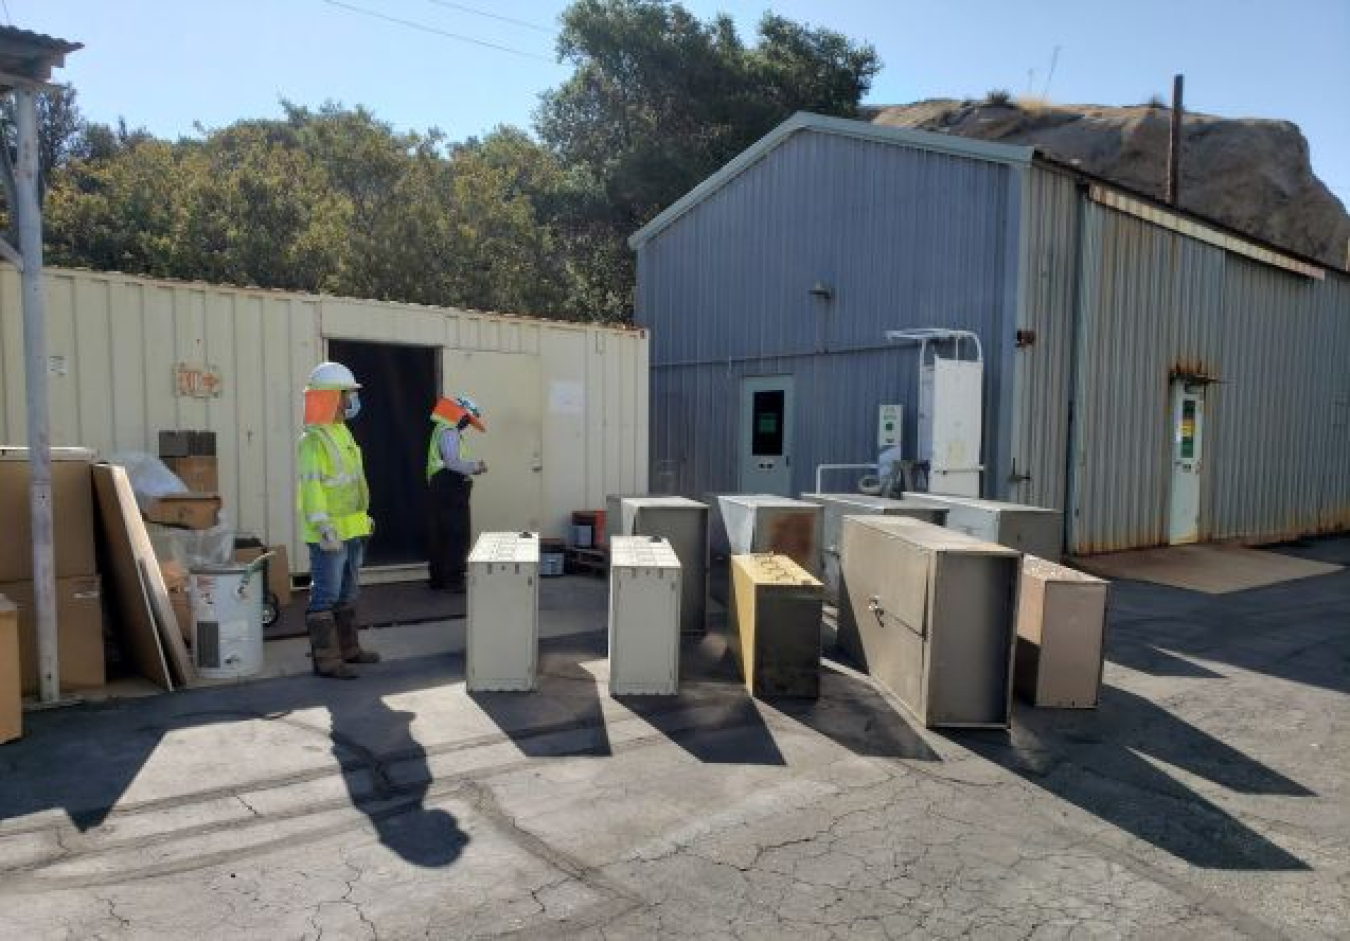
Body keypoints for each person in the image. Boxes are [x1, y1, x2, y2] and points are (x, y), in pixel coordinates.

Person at [297, 361, 380, 678]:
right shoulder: (313, 440)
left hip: (353, 528)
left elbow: (351, 482)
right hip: (329, 533)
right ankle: (327, 661)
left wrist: (364, 517)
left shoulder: (341, 431)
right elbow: (311, 486)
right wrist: (322, 526)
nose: (352, 400)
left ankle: (349, 650)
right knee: (326, 594)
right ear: (330, 397)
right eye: (347, 393)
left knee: (348, 593)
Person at [426, 395, 487, 592]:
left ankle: (439, 579)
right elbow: (452, 462)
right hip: (450, 488)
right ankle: (454, 580)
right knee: (457, 534)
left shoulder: (441, 429)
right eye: (467, 419)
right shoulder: (449, 431)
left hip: (441, 487)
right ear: (460, 414)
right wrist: (475, 467)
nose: (467, 424)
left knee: (440, 534)